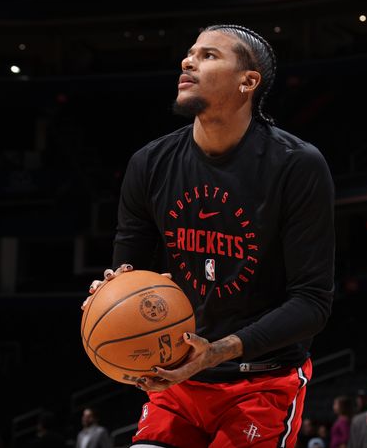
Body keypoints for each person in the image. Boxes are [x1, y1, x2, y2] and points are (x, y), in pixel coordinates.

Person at [82, 24, 336, 448]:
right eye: (189, 53)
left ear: (247, 82)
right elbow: (130, 276)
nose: (188, 61)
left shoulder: (297, 166)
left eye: (208, 55)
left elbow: (312, 303)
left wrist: (218, 351)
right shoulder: (149, 164)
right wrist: (108, 297)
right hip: (177, 384)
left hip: (262, 382)